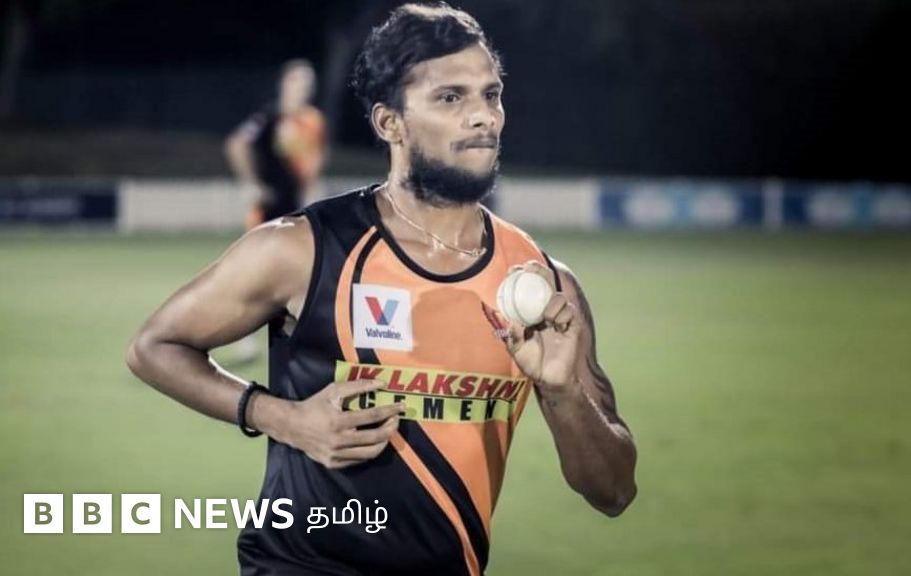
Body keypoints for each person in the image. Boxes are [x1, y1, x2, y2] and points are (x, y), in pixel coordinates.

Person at [127, 4, 637, 575]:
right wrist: (282, 417)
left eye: (491, 95)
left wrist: (564, 392)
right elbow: (154, 347)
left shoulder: (542, 284)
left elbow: (614, 492)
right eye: (451, 97)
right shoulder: (303, 248)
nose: (483, 116)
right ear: (390, 123)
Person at [225, 59, 326, 361]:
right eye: (296, 81)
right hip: (267, 209)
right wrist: (250, 182)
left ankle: (297, 338)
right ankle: (244, 337)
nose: (302, 87)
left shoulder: (313, 121)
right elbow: (236, 144)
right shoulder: (267, 118)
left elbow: (314, 159)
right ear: (284, 83)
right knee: (255, 275)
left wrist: (312, 193)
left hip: (297, 210)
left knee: (302, 274)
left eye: (307, 82)